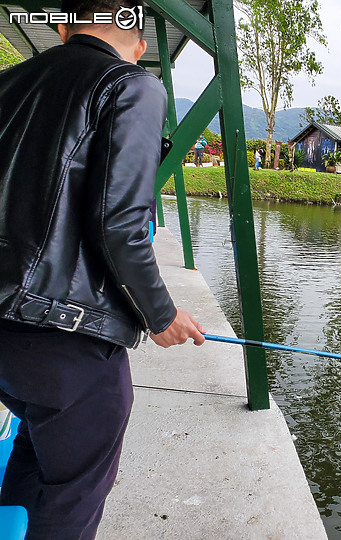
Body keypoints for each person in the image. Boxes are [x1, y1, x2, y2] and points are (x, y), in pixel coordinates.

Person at [0, 0, 206, 537]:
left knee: (37, 443)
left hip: (7, 333)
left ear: (65, 27)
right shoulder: (133, 85)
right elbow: (120, 224)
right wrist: (160, 315)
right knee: (76, 492)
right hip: (64, 340)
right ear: (137, 41)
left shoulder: (9, 82)